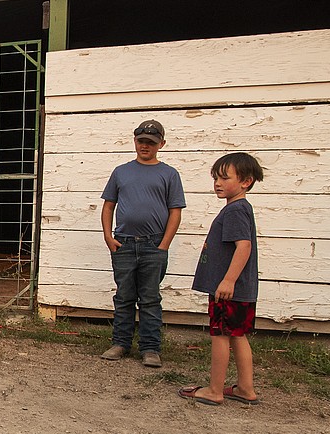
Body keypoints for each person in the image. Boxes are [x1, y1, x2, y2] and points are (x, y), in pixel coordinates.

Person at [178, 152, 264, 407]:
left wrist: (227, 281)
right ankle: (245, 389)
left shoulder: (235, 211)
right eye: (216, 177)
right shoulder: (240, 208)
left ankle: (215, 390)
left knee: (221, 335)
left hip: (228, 290)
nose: (218, 182)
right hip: (241, 290)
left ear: (246, 181)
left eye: (225, 177)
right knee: (238, 335)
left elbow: (243, 247)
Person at [99, 119, 186, 367]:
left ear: (161, 144)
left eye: (151, 142)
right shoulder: (121, 172)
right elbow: (108, 206)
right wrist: (108, 236)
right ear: (134, 141)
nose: (145, 146)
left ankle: (150, 348)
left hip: (153, 245)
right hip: (124, 244)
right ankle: (120, 343)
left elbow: (175, 210)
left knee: (149, 298)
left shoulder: (169, 174)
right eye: (141, 141)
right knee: (124, 296)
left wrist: (164, 245)